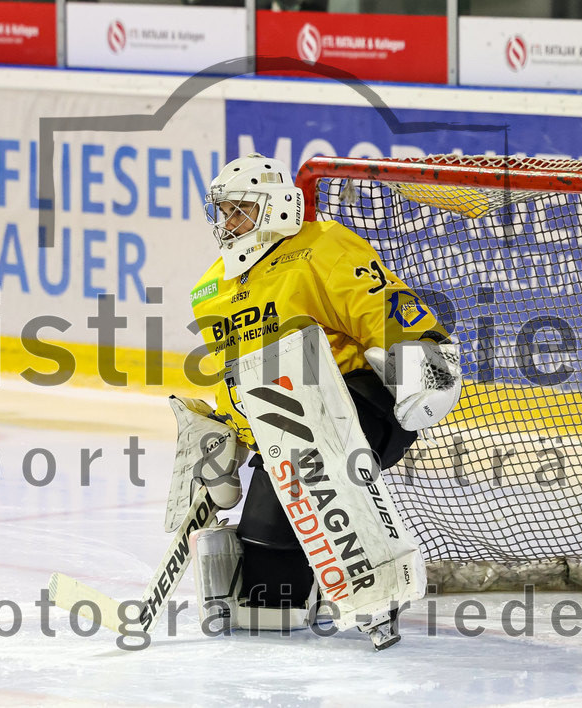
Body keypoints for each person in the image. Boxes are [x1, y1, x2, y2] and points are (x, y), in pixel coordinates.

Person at [170, 153, 461, 647]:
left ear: (276, 206)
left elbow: (382, 306)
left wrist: (421, 361)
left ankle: (375, 578)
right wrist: (225, 443)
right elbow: (235, 379)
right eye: (224, 211)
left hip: (361, 405)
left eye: (240, 209)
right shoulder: (211, 290)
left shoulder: (321, 247)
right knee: (266, 596)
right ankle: (308, 584)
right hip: (282, 428)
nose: (228, 222)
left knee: (314, 456)